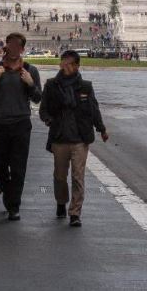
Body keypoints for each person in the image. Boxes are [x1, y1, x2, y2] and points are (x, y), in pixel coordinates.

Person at [39, 51, 108, 227]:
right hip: (59, 137)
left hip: (80, 139)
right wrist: (48, 120)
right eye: (63, 63)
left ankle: (75, 212)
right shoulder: (52, 85)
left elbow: (93, 109)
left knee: (78, 177)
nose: (65, 66)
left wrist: (101, 129)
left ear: (77, 66)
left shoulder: (85, 86)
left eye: (69, 63)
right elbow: (43, 109)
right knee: (60, 176)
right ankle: (61, 202)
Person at [0, 32, 42, 221]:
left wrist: (30, 84)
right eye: (11, 45)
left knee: (18, 168)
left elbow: (37, 98)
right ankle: (9, 195)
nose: (14, 49)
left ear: (22, 49)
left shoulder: (30, 70)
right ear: (6, 47)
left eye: (18, 45)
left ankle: (14, 205)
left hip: (21, 124)